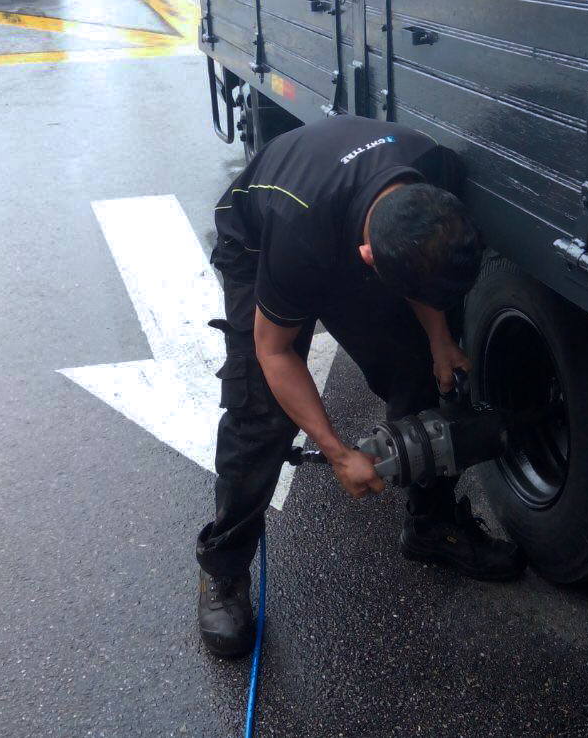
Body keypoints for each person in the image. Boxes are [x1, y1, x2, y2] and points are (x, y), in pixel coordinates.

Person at [196, 114, 526, 658]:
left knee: (423, 365)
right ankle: (224, 567)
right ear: (368, 262)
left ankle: (432, 524)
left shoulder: (434, 168)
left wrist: (440, 336)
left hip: (347, 219)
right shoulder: (298, 235)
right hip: (263, 240)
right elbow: (274, 351)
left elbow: (426, 262)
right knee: (263, 414)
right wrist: (336, 449)